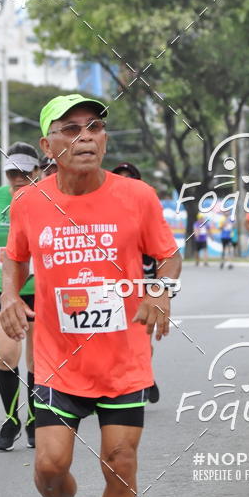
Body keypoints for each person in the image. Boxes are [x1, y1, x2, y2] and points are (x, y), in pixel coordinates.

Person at [0, 94, 181, 497]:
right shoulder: (29, 202)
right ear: (48, 145)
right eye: (71, 129)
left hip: (123, 360)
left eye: (95, 127)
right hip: (59, 361)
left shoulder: (137, 196)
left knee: (120, 462)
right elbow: (14, 256)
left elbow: (168, 256)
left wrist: (160, 290)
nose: (86, 137)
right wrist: (11, 295)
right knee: (49, 467)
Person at [0, 142, 39, 450]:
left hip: (38, 290)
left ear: (38, 172)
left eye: (24, 173)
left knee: (37, 362)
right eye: (12, 172)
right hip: (1, 288)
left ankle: (34, 419)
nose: (17, 178)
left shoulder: (48, 199)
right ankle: (12, 418)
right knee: (6, 354)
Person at [112, 162, 160, 404]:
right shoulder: (103, 209)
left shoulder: (148, 206)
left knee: (142, 338)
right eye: (120, 178)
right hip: (114, 283)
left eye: (130, 178)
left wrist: (161, 289)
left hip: (144, 280)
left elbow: (165, 251)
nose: (125, 183)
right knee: (115, 339)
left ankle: (144, 375)